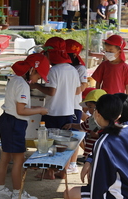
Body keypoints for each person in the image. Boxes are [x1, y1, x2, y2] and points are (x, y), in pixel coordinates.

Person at [64, 94, 128, 199]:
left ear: (97, 114)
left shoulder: (103, 143)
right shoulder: (127, 130)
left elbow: (99, 182)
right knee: (84, 189)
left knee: (69, 195)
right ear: (119, 115)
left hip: (122, 194)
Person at [0, 54, 50, 199]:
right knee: (19, 159)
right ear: (32, 70)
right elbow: (21, 111)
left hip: (6, 119)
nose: (38, 80)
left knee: (5, 157)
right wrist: (40, 111)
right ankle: (18, 194)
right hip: (15, 123)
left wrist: (37, 107)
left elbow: (17, 106)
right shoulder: (23, 84)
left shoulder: (14, 79)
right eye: (38, 76)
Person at [30, 37, 81, 179]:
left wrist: (36, 86)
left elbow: (51, 91)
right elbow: (77, 90)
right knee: (63, 144)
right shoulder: (72, 70)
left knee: (48, 143)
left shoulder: (54, 71)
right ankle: (62, 171)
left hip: (53, 112)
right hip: (68, 112)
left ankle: (49, 172)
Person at [63, 89, 107, 163]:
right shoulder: (90, 120)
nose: (87, 110)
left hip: (100, 152)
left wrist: (97, 134)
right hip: (89, 153)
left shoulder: (107, 121)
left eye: (90, 107)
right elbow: (82, 126)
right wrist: (71, 125)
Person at [64, 39, 88, 174]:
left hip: (74, 106)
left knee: (74, 136)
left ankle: (73, 164)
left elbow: (82, 88)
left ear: (73, 55)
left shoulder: (80, 68)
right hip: (65, 105)